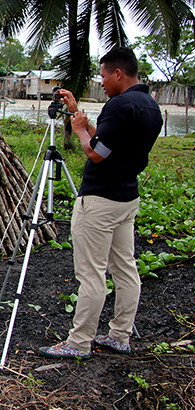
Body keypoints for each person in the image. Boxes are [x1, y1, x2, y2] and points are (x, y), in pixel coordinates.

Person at [40, 46, 163, 359]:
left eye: (104, 75)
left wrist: (80, 131)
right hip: (126, 198)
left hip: (100, 200)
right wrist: (78, 112)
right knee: (125, 268)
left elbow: (96, 152)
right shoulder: (149, 106)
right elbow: (109, 143)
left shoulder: (119, 105)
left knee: (91, 274)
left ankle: (79, 342)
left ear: (118, 73)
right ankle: (120, 335)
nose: (103, 82)